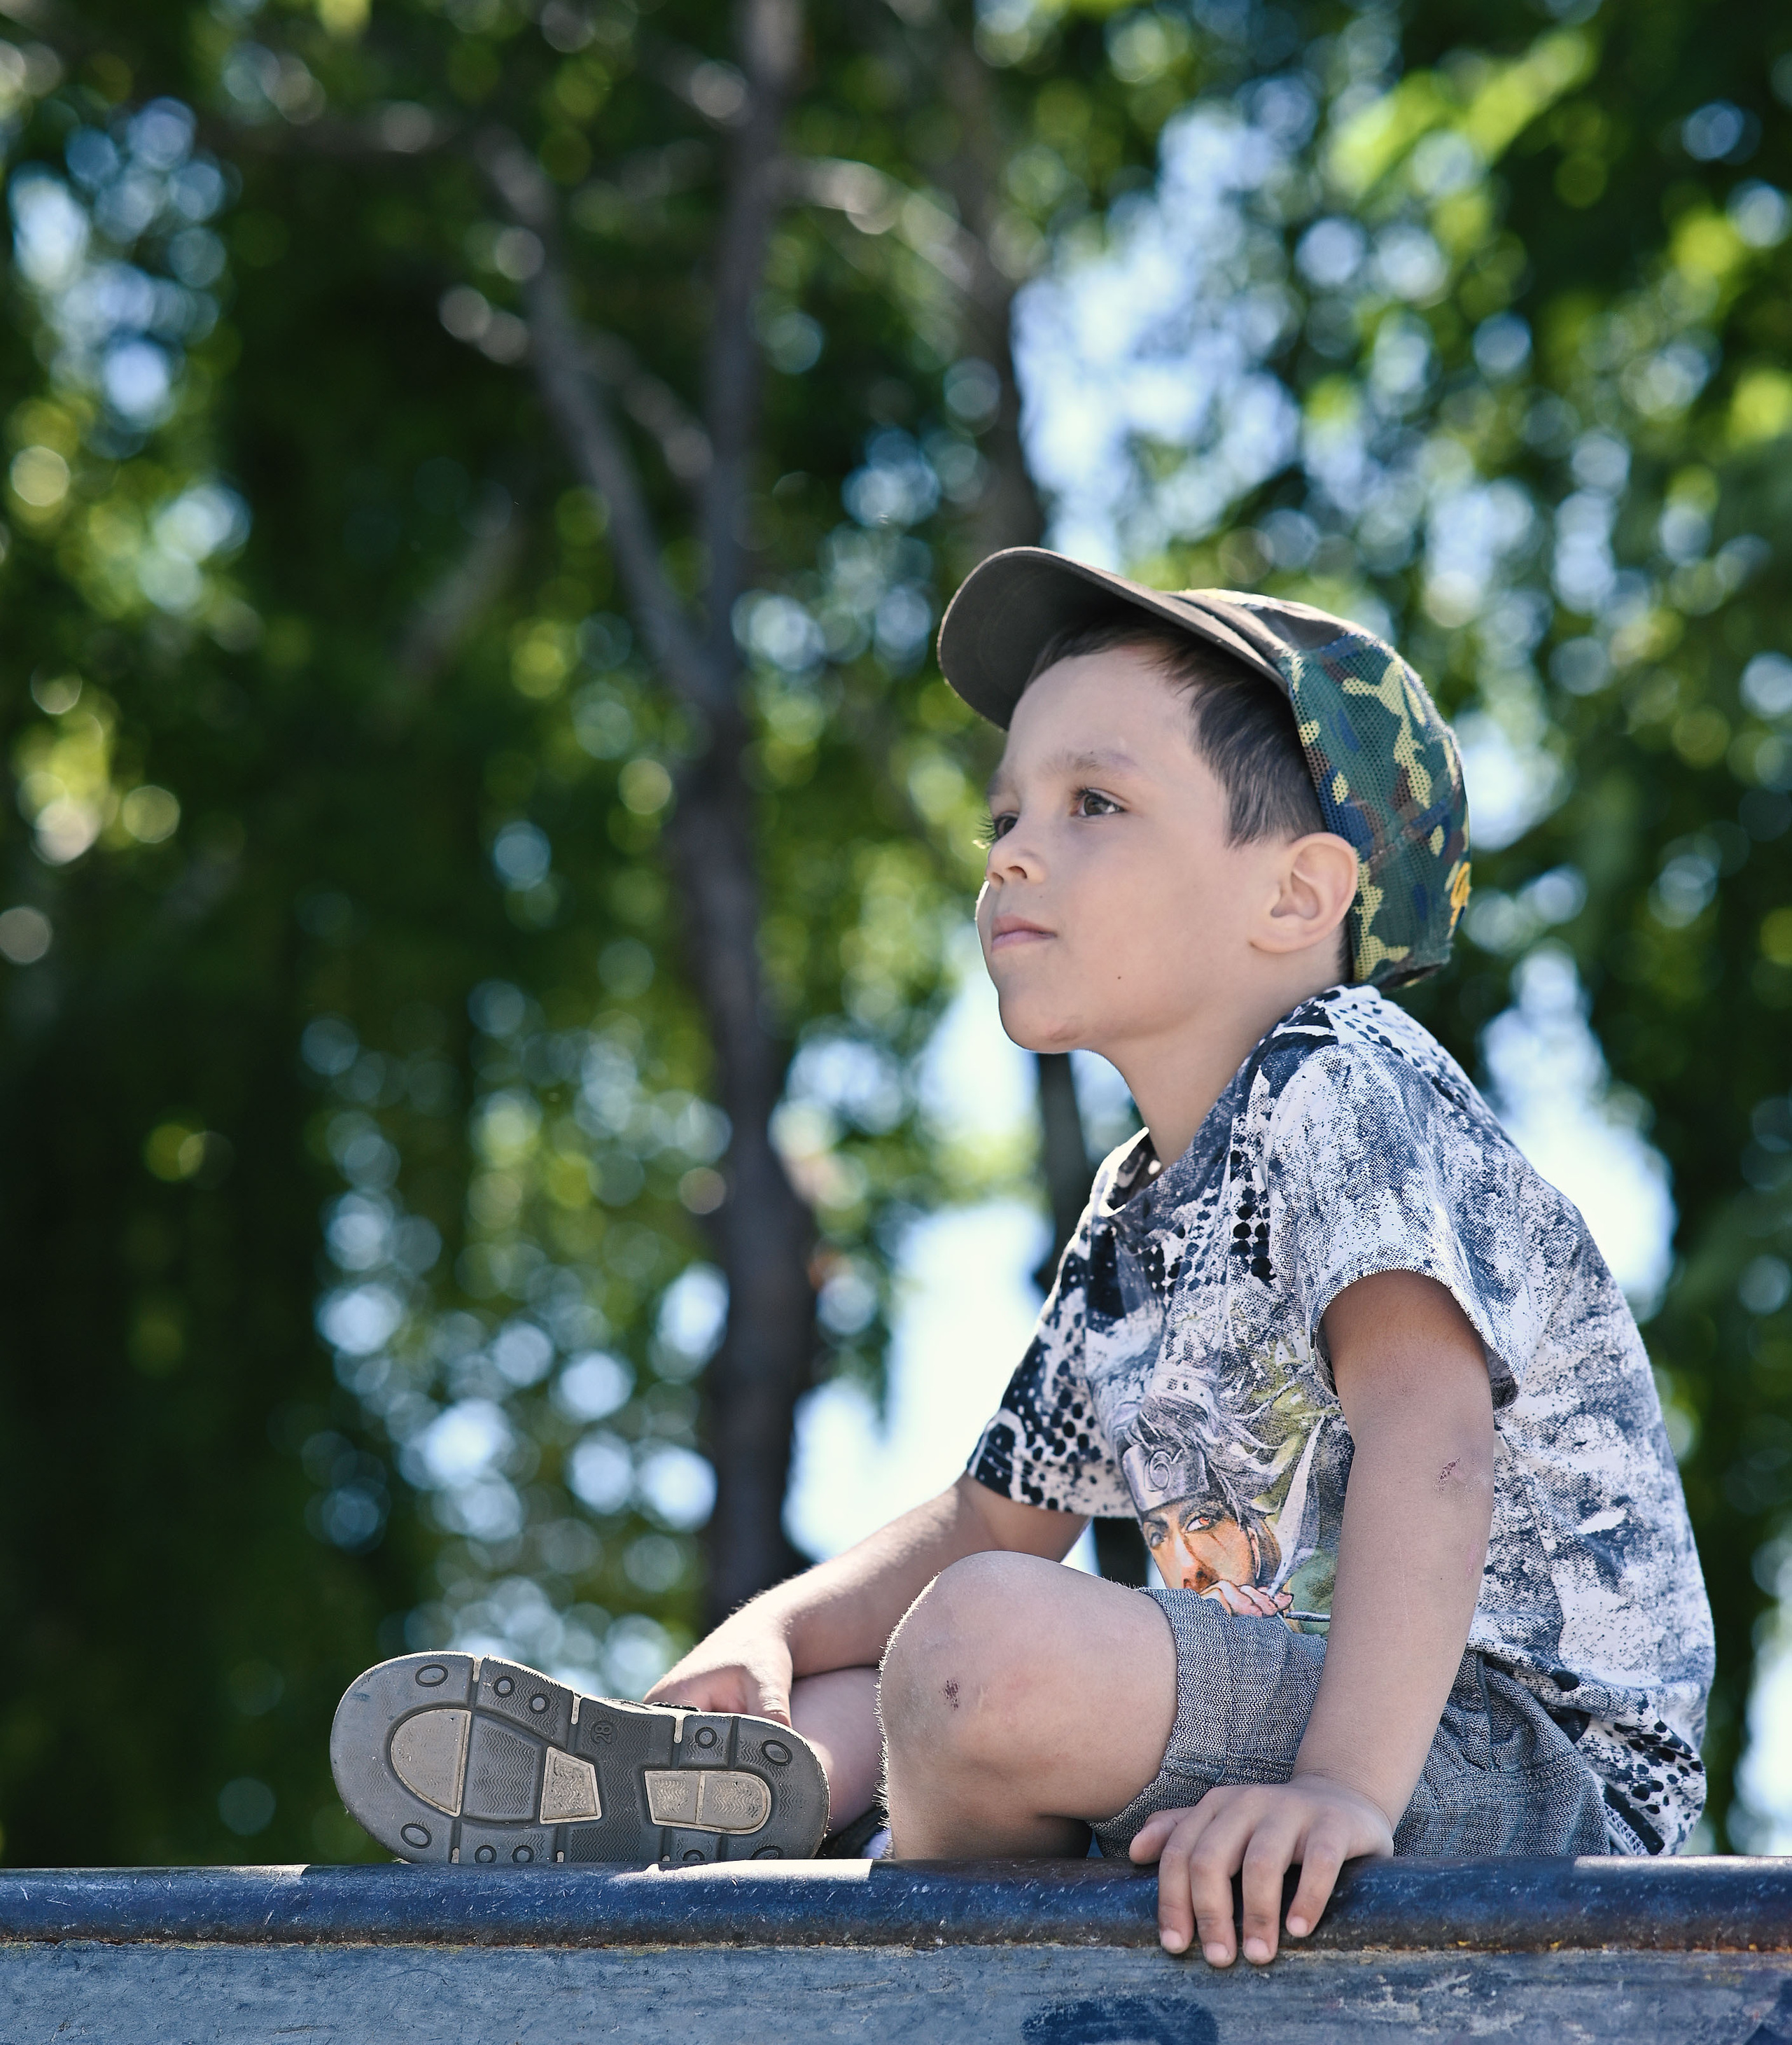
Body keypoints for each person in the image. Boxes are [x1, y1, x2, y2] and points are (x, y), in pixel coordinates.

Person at [330, 548, 1714, 1969]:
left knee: (974, 1652)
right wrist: (771, 1633)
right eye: (1004, 813)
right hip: (1278, 1747)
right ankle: (738, 1788)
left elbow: (1431, 1433)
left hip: (1515, 1774)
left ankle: (892, 1903)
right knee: (883, 1680)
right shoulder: (1133, 1213)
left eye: (1091, 803)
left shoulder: (1336, 1076)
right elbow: (990, 1517)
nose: (1006, 851)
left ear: (1295, 897)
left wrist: (1337, 1791)